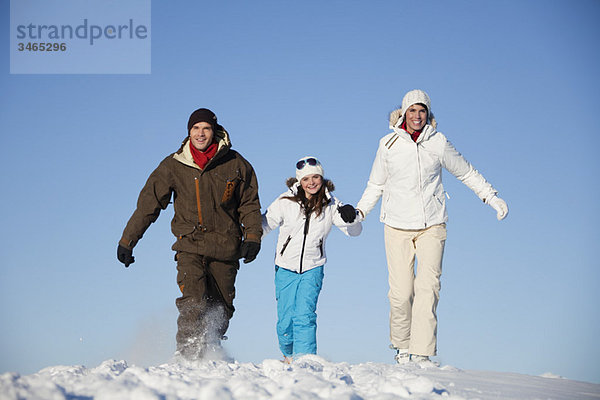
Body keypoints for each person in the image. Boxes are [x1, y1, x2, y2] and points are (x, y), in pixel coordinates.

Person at [356, 90, 508, 364]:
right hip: (396, 226)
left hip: (432, 224)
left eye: (422, 111)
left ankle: (422, 352)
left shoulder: (438, 142)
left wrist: (491, 197)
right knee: (401, 293)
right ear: (403, 113)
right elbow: (375, 184)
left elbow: (466, 172)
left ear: (428, 114)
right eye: (412, 110)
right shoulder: (388, 144)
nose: (417, 116)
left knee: (429, 288)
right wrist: (359, 212)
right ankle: (402, 346)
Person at [116, 108, 262, 360]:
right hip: (190, 245)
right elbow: (148, 205)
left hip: (226, 247)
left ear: (214, 131)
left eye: (205, 128)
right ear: (188, 132)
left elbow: (249, 205)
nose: (200, 133)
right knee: (192, 302)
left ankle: (212, 351)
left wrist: (252, 237)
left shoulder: (237, 164)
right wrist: (128, 241)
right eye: (195, 128)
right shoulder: (174, 165)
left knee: (221, 308)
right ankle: (187, 358)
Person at [262, 156, 362, 363]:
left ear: (322, 178)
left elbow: (354, 232)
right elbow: (265, 224)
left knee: (305, 316)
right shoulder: (285, 201)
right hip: (285, 267)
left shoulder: (331, 204)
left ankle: (304, 359)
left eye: (316, 177)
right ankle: (288, 354)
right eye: (307, 178)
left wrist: (351, 218)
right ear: (299, 181)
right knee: (285, 319)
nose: (312, 182)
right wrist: (249, 236)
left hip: (313, 267)